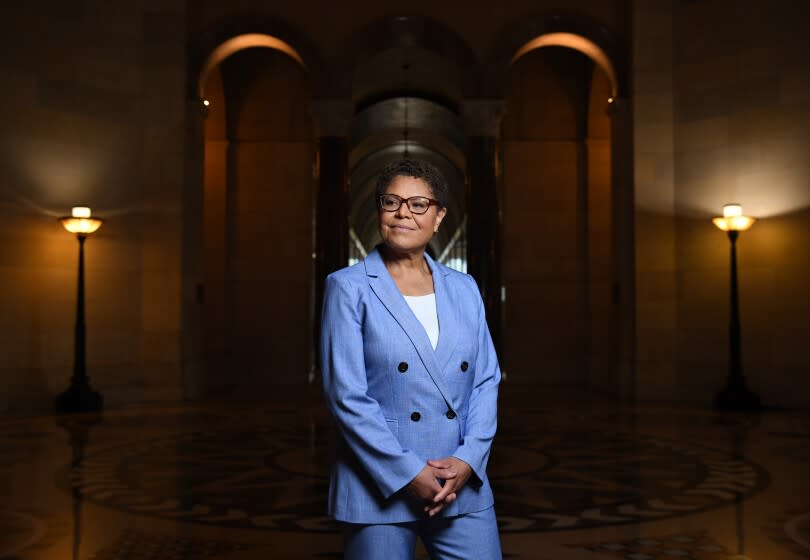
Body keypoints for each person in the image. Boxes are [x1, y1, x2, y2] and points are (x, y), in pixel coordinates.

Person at [320, 159, 502, 559]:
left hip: (460, 482)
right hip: (378, 484)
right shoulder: (347, 288)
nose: (404, 212)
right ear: (379, 211)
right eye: (392, 202)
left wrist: (468, 460)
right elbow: (346, 397)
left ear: (438, 217)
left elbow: (486, 381)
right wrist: (410, 473)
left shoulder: (465, 288)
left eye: (419, 204)